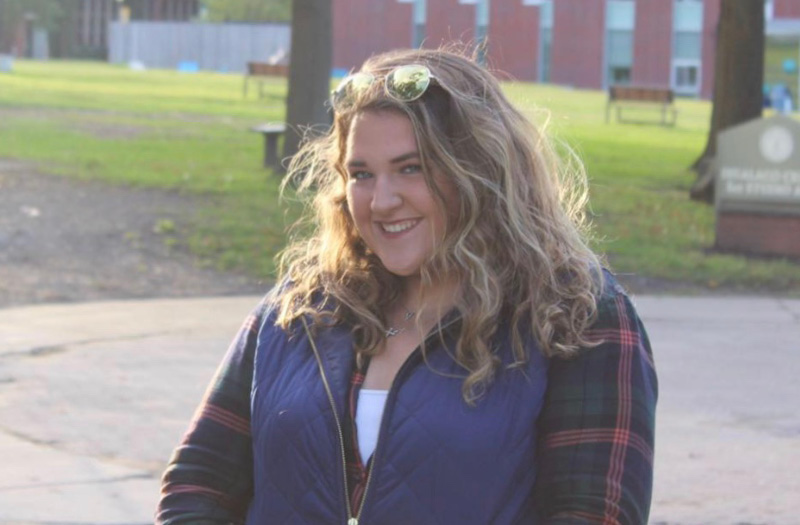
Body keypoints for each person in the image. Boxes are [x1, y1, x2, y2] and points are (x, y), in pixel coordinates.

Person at [156, 48, 657, 524]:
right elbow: (196, 485)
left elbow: (594, 513)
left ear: (480, 170)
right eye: (361, 174)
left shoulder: (577, 316)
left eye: (410, 168)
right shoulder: (301, 309)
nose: (381, 201)